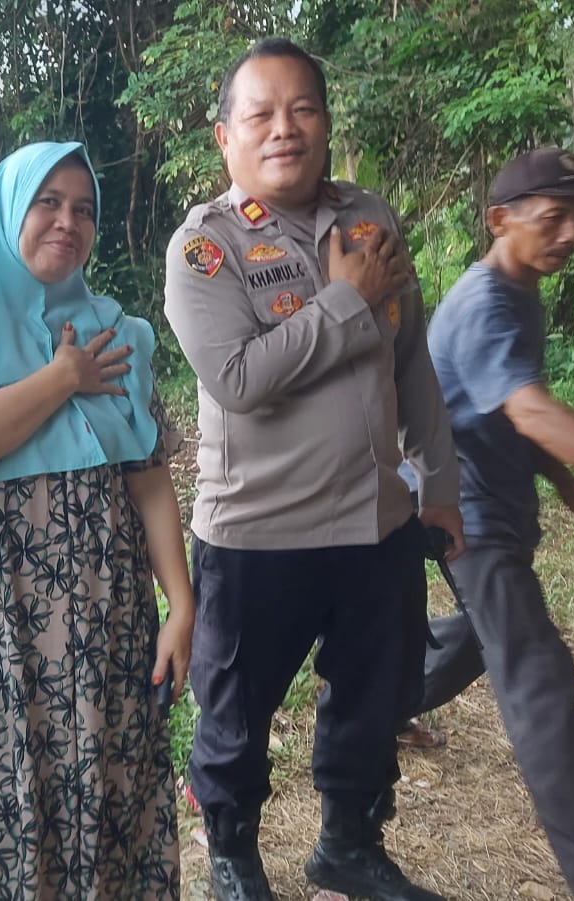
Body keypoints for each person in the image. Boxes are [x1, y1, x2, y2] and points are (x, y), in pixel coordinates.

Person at [162, 38, 462, 901]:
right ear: (226, 137)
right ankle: (233, 858)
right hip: (259, 531)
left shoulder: (369, 219)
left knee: (375, 695)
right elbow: (239, 379)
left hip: (376, 520)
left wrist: (439, 484)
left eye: (302, 109)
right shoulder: (204, 247)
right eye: (260, 114)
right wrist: (345, 300)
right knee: (236, 715)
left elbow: (411, 361)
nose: (283, 129)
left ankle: (349, 846)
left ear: (326, 124)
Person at [0, 141, 193, 899]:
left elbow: (149, 475)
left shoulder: (116, 332)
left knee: (109, 782)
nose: (68, 221)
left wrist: (182, 604)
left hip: (108, 613)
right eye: (48, 203)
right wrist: (62, 378)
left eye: (84, 209)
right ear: (7, 211)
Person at [404, 146, 574, 894]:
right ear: (499, 220)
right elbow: (531, 410)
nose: (571, 233)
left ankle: (362, 704)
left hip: (490, 509)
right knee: (539, 679)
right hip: (464, 516)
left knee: (477, 640)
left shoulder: (520, 291)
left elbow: (505, 409)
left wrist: (566, 481)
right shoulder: (485, 302)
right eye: (554, 218)